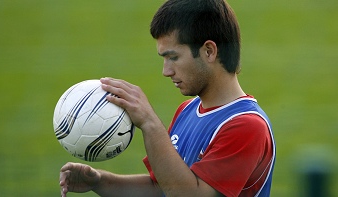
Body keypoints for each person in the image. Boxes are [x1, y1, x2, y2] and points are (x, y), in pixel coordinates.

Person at [59, 0, 276, 196]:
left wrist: (149, 122)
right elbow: (163, 188)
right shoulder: (187, 110)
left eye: (173, 57)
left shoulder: (246, 126)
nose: (166, 71)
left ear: (209, 51)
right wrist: (100, 181)